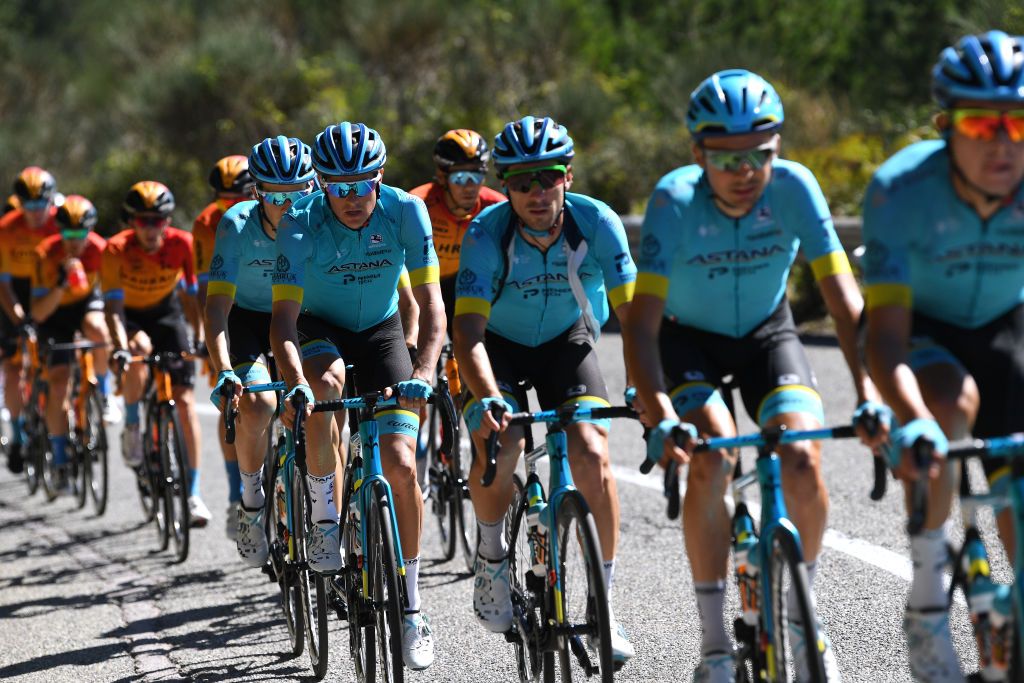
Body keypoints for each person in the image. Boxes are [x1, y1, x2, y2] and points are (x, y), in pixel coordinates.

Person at [623, 69, 878, 682]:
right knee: (712, 455)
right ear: (696, 154)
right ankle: (713, 645)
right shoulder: (673, 200)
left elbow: (846, 305)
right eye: (724, 157)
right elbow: (639, 326)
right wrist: (662, 415)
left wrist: (872, 395)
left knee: (804, 456)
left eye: (758, 155)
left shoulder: (795, 188)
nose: (744, 172)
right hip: (689, 340)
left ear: (778, 147)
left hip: (768, 332)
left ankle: (800, 620)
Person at [862, 30, 1024, 683]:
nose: (1002, 140)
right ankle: (928, 603)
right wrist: (912, 418)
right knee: (948, 409)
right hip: (923, 333)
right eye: (981, 122)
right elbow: (886, 340)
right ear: (944, 127)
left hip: (1003, 328)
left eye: (1018, 120)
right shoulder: (900, 190)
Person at [453, 115, 637, 665]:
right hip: (499, 349)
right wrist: (487, 398)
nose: (536, 192)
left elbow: (635, 314)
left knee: (591, 450)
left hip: (566, 341)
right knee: (501, 443)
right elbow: (468, 333)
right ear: (504, 184)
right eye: (520, 181)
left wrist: (651, 389)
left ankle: (602, 601)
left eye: (547, 177)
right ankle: (490, 556)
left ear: (568, 176)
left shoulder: (598, 222)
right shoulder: (487, 233)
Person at [270, 121, 445, 670]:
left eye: (360, 184)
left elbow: (433, 306)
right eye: (336, 186)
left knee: (399, 463)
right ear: (321, 184)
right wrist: (294, 381)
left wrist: (425, 369)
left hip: (382, 332)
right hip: (320, 328)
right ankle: (325, 519)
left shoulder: (405, 212)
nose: (350, 198)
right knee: (325, 388)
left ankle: (413, 609)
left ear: (380, 178)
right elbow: (282, 321)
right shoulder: (300, 221)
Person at [205, 135, 316, 566]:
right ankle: (252, 503)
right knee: (257, 404)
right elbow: (216, 309)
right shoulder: (236, 224)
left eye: (299, 193)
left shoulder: (322, 219)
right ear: (257, 194)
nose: (288, 205)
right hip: (250, 320)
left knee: (328, 407)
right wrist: (222, 368)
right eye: (276, 195)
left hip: (305, 317)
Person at [102, 181, 210, 526]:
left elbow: (193, 298)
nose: (151, 228)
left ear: (167, 220)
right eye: (144, 221)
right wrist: (119, 346)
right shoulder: (116, 249)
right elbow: (114, 309)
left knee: (186, 402)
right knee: (139, 351)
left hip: (167, 314)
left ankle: (193, 495)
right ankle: (133, 424)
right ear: (131, 222)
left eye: (159, 220)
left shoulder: (183, 244)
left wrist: (201, 338)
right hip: (130, 318)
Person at [29, 195, 115, 490]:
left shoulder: (102, 250)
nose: (75, 241)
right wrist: (62, 282)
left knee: (99, 332)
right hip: (54, 313)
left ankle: (103, 396)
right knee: (58, 384)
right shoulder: (45, 253)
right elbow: (39, 313)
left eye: (81, 234)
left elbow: (114, 294)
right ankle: (61, 458)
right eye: (68, 234)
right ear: (59, 230)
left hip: (85, 305)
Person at [193, 154, 257, 538]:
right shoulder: (207, 224)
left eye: (240, 197)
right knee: (231, 399)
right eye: (222, 201)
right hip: (232, 309)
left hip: (276, 304)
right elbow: (206, 292)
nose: (231, 207)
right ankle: (237, 494)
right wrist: (204, 339)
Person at [0, 167, 60, 474]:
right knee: (13, 368)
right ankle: (18, 434)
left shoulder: (61, 224)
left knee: (61, 357)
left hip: (48, 288)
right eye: (29, 206)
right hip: (14, 295)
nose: (36, 212)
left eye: (42, 205)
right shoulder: (7, 229)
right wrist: (20, 320)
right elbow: (4, 284)